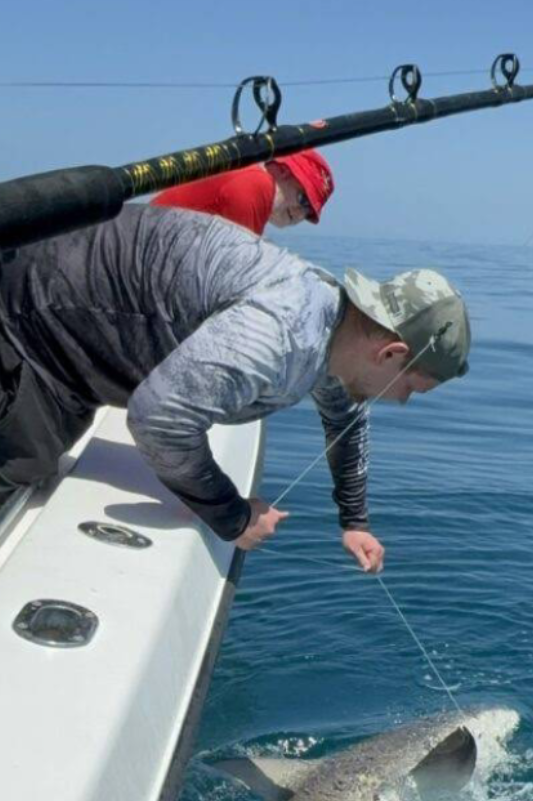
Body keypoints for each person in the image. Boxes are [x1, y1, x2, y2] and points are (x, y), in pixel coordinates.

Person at [0, 205, 470, 572]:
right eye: (413, 389)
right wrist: (233, 516)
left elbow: (347, 425)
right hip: (30, 313)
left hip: (82, 333)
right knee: (22, 464)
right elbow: (158, 420)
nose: (402, 401)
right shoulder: (278, 335)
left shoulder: (335, 331)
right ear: (390, 353)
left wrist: (354, 522)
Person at [151, 149, 334, 233]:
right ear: (283, 171)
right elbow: (239, 274)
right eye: (303, 199)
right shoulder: (256, 184)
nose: (300, 214)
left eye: (309, 212)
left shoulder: (246, 174)